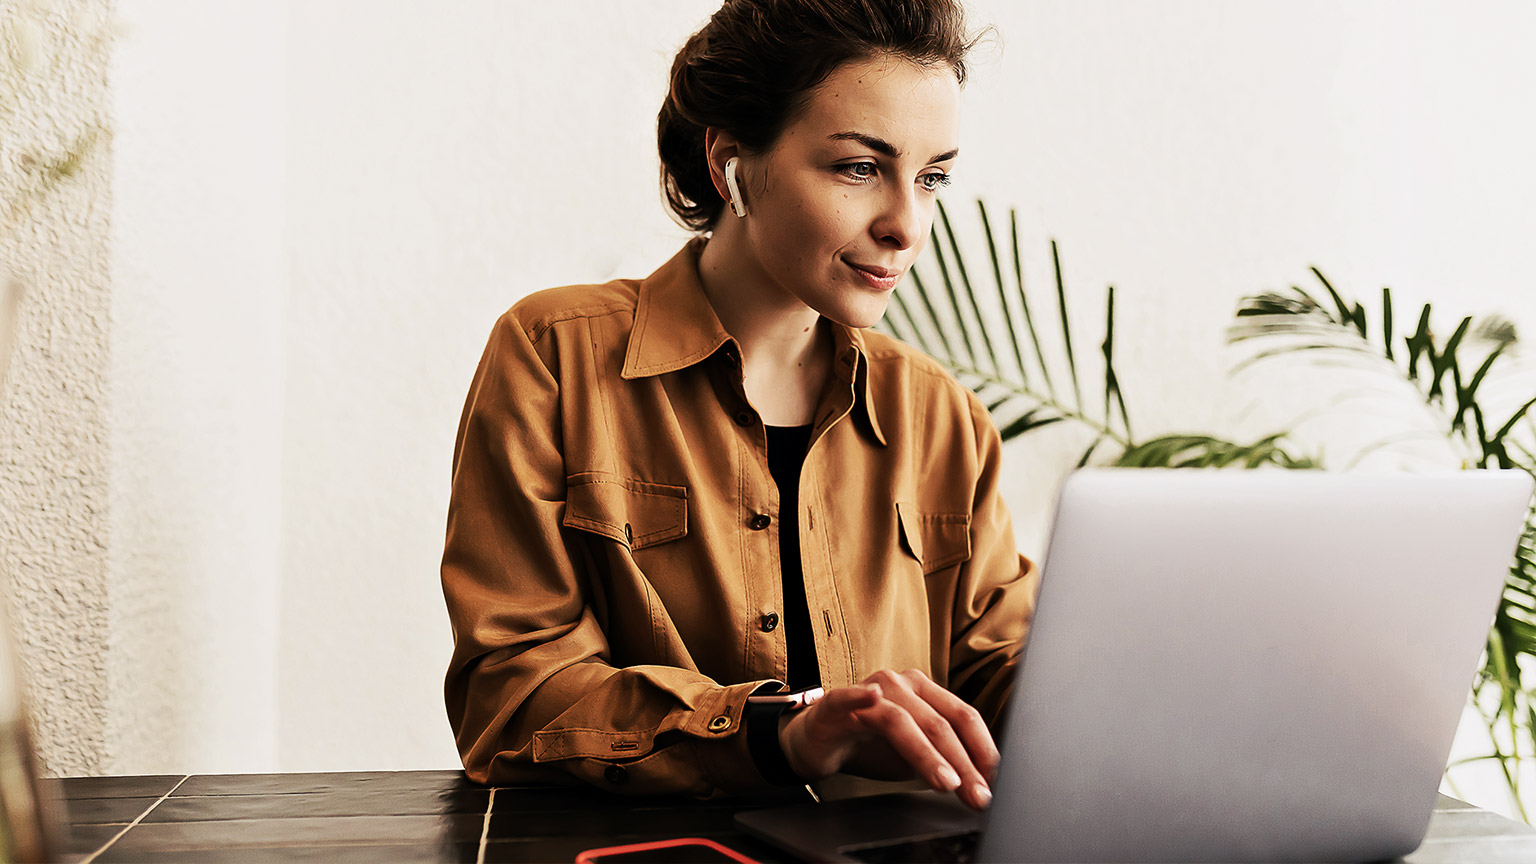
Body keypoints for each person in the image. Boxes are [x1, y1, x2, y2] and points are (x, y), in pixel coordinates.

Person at [441, 0, 1038, 813]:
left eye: (931, 177)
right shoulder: (555, 355)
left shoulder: (943, 418)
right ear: (730, 165)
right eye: (860, 168)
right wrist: (777, 731)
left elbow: (1007, 680)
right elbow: (512, 696)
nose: (908, 225)